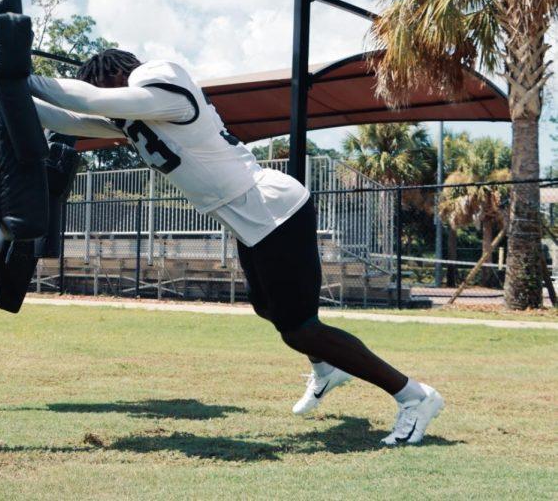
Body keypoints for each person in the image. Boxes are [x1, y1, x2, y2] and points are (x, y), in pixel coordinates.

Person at [28, 49, 444, 446]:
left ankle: (412, 395)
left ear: (116, 76)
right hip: (251, 221)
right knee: (272, 311)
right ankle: (327, 368)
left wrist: (20, 73)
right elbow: (72, 117)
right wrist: (2, 95)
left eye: (105, 88)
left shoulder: (160, 82)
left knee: (300, 327)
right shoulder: (136, 119)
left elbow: (88, 97)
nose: (108, 104)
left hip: (272, 209)